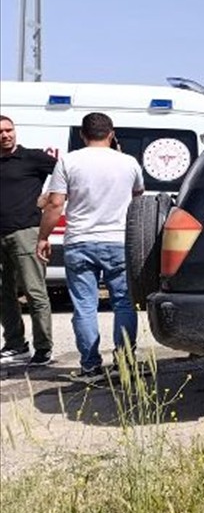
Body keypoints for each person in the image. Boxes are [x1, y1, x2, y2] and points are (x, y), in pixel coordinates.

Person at [36, 113, 144, 383]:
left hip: (79, 242)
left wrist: (43, 237)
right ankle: (125, 364)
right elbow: (138, 198)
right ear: (111, 133)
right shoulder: (128, 162)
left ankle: (90, 367)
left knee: (85, 306)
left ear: (83, 135)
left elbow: (55, 204)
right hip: (119, 241)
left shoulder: (69, 161)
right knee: (123, 304)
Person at [0, 115, 58, 367]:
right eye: (0, 132)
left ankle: (43, 349)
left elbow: (66, 173)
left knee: (35, 293)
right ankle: (15, 345)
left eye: (8, 130)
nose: (5, 135)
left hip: (26, 233)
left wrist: (47, 198)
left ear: (15, 131)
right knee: (3, 295)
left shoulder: (32, 158)